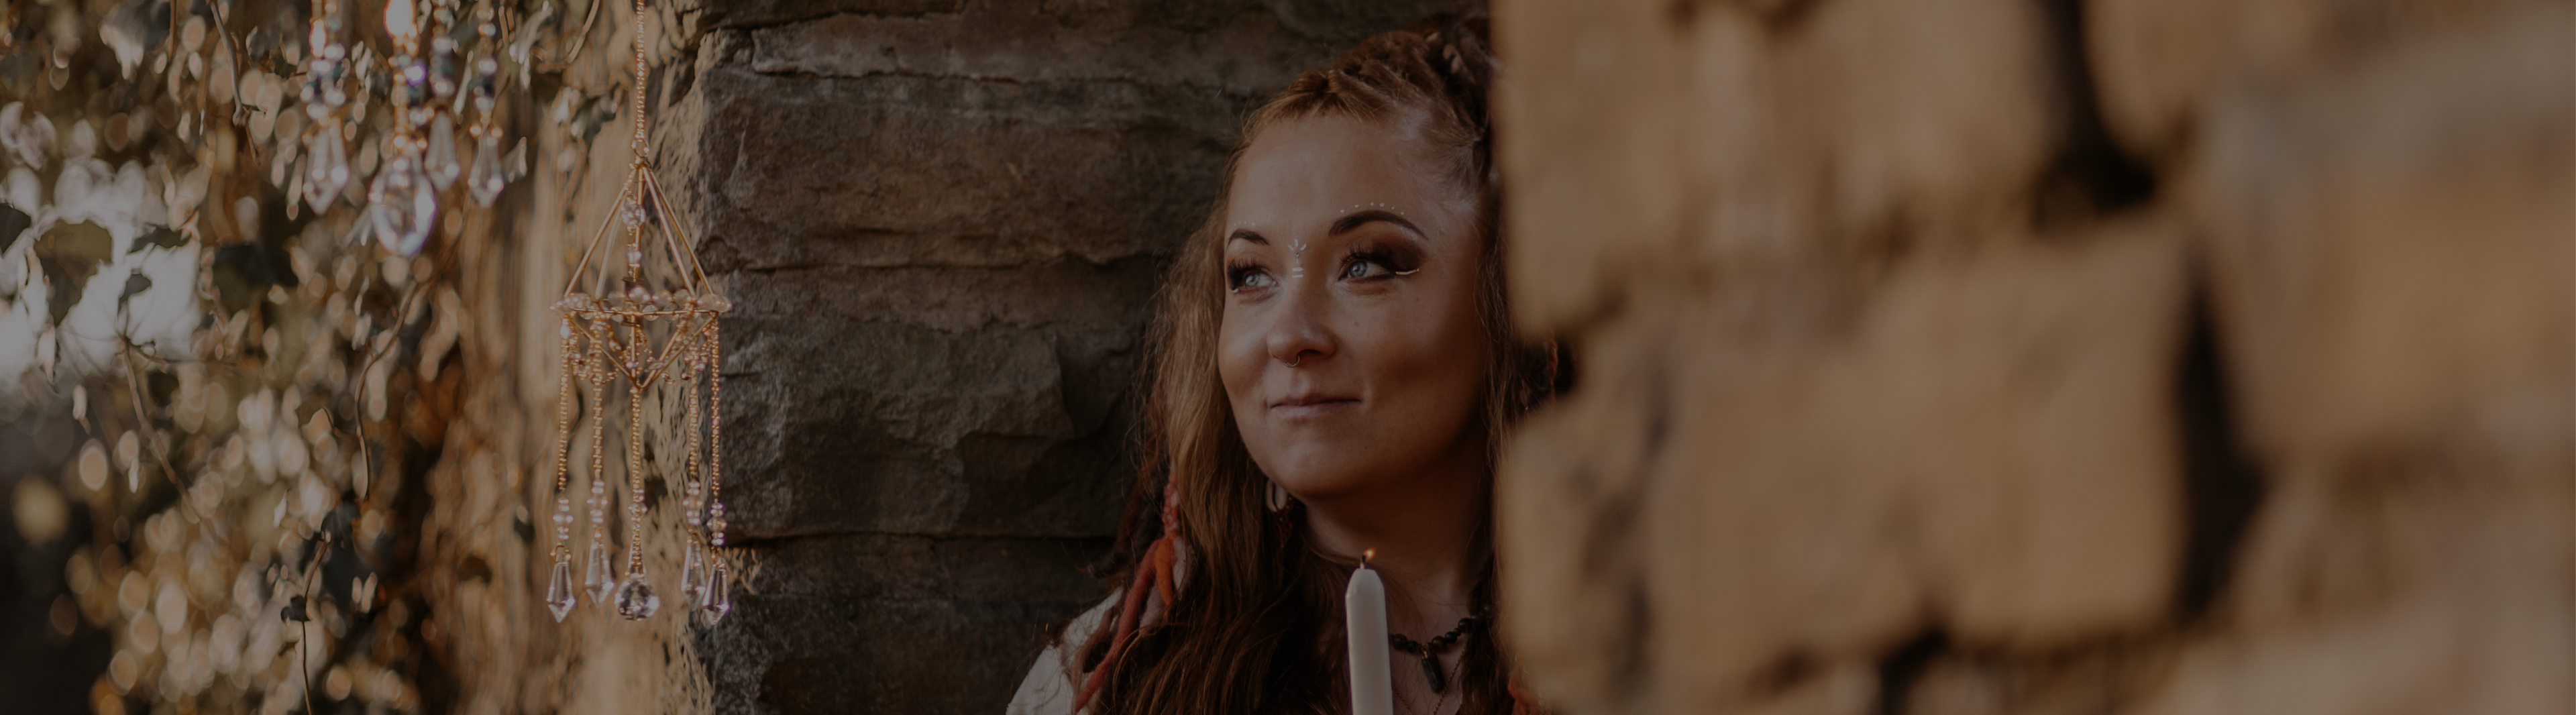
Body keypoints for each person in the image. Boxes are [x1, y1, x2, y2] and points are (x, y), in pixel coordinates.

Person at [1010, 14, 1555, 715]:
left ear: (1519, 298)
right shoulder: (1110, 681)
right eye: (1250, 275)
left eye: (1367, 264)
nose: (1288, 335)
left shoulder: (1664, 655)